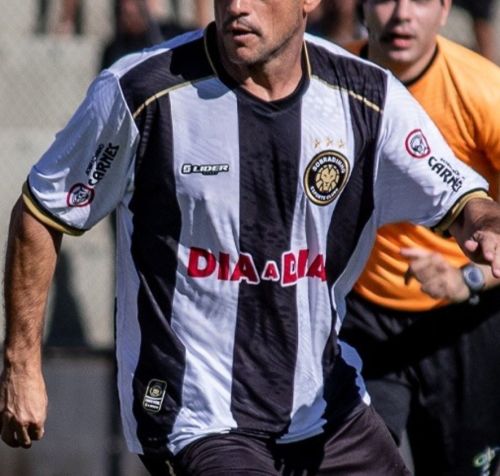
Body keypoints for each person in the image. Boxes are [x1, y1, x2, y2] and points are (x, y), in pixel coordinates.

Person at [2, 1, 500, 474]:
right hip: (195, 415)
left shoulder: (368, 96)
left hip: (323, 406)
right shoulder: (141, 91)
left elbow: (460, 198)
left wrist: (484, 223)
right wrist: (21, 363)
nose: (237, 7)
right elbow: (43, 212)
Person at [339, 0, 500, 474]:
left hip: (462, 320)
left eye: (421, 0)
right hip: (362, 318)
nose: (402, 15)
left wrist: (465, 279)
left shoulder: (484, 92)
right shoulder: (330, 81)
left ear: (445, 9)